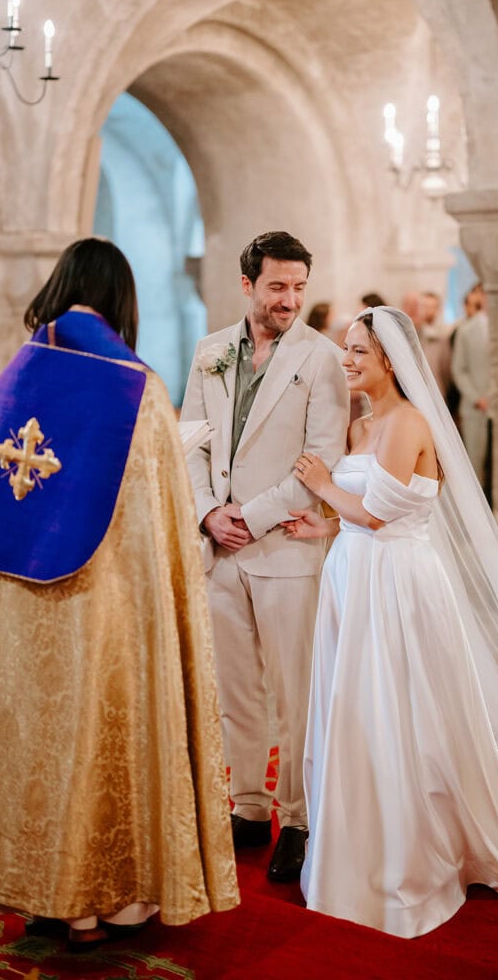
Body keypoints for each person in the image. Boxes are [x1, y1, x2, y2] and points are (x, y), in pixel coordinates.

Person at [284, 306, 498, 939]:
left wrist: (324, 488)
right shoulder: (362, 426)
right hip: (354, 578)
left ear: (390, 360)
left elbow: (381, 516)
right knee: (352, 710)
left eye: (358, 351)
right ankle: (355, 850)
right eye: (345, 348)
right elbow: (363, 514)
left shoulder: (409, 422)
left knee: (399, 715)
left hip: (398, 586)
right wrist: (323, 525)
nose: (346, 359)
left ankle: (410, 855)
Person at [0, 238, 238, 952]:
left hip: (15, 607)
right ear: (122, 297)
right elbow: (156, 515)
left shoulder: (11, 379)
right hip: (104, 604)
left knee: (34, 742)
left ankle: (35, 893)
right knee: (100, 741)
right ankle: (101, 904)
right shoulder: (135, 386)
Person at [181, 231, 348, 883]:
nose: (290, 299)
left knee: (294, 690)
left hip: (284, 550)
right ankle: (248, 808)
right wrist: (207, 513)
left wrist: (248, 517)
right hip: (219, 549)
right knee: (235, 691)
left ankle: (298, 819)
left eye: (299, 287)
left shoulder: (324, 358)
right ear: (247, 285)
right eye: (278, 286)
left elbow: (323, 457)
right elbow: (190, 440)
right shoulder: (210, 352)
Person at [450, 283, 490, 485]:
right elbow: (459, 369)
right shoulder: (466, 330)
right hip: (476, 407)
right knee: (475, 463)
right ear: (481, 297)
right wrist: (477, 398)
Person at [418, 290, 452, 399]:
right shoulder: (412, 334)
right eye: (425, 306)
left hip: (438, 392)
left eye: (432, 307)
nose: (429, 310)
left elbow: (446, 369)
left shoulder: (443, 336)